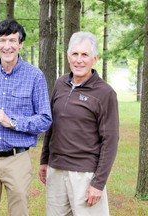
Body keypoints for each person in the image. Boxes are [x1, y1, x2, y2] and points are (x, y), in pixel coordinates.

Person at [0, 19, 52, 216]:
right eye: (2, 40)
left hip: (17, 159)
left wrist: (11, 121)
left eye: (13, 40)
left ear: (20, 44)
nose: (7, 46)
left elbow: (45, 119)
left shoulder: (35, 76)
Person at [39, 31, 119, 216]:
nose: (79, 60)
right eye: (75, 54)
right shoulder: (60, 84)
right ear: (68, 57)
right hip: (57, 170)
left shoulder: (105, 93)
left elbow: (110, 141)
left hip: (85, 174)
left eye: (85, 55)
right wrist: (44, 160)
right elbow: (52, 126)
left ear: (95, 58)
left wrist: (98, 183)